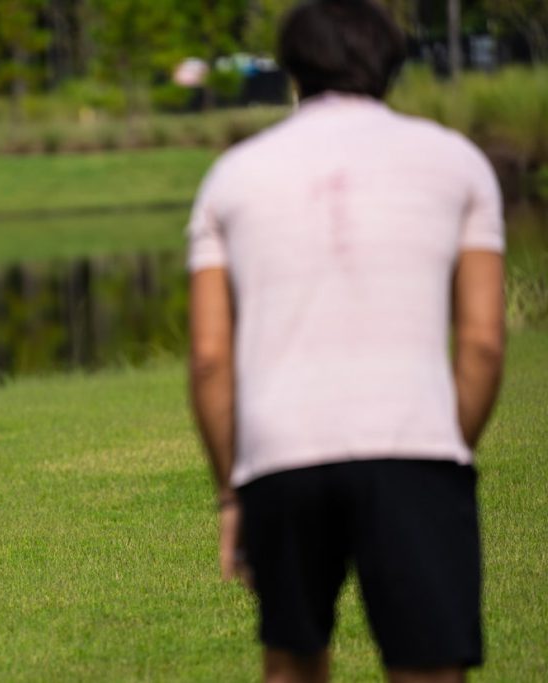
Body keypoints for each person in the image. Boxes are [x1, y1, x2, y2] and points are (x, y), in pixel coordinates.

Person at [186, 1, 505, 681]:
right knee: (429, 667)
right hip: (416, 445)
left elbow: (210, 357)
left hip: (280, 455)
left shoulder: (232, 176)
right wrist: (446, 449)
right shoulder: (458, 163)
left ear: (292, 66)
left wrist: (231, 494)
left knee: (292, 663)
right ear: (392, 62)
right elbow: (481, 342)